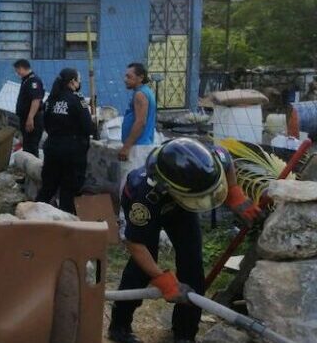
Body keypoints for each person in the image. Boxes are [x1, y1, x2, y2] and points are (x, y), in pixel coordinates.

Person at [108, 138, 262, 343]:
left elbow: (226, 159)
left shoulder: (209, 159)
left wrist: (234, 193)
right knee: (139, 269)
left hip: (182, 205)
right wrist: (162, 279)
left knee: (192, 264)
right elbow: (135, 244)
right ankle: (119, 327)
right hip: (156, 207)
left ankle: (184, 333)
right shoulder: (144, 196)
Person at [35, 69, 93, 214]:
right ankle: (65, 223)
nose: (80, 83)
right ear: (72, 81)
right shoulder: (78, 99)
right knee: (69, 190)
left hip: (53, 147)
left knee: (48, 187)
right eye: (79, 80)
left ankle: (32, 218)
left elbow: (46, 124)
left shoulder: (50, 99)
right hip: (72, 151)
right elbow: (88, 127)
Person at [119, 63, 157, 163]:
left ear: (140, 78)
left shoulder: (140, 94)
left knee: (132, 177)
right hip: (140, 145)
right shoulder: (145, 91)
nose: (125, 79)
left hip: (137, 148)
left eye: (129, 76)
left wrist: (126, 147)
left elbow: (140, 122)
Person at [14, 59, 45, 157]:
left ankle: (33, 169)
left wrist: (30, 118)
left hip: (32, 119)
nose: (17, 73)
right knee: (27, 145)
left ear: (21, 68)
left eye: (17, 70)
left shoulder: (33, 80)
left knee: (31, 146)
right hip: (26, 118)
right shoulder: (26, 80)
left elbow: (36, 100)